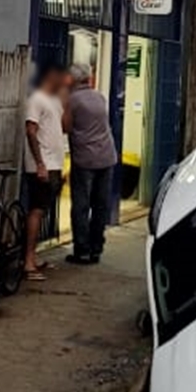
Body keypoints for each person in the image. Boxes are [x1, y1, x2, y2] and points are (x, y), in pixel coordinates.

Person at [63, 63, 117, 265]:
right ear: (89, 78)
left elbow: (65, 127)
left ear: (73, 79)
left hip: (85, 159)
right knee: (100, 205)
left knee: (81, 205)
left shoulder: (72, 100)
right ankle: (96, 248)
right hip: (107, 156)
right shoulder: (99, 97)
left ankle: (82, 250)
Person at [23, 64, 66, 281]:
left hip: (54, 164)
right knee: (37, 210)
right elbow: (31, 131)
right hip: (42, 165)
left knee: (43, 210)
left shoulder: (56, 101)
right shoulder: (37, 99)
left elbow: (61, 128)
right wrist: (40, 163)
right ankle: (28, 261)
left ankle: (34, 255)